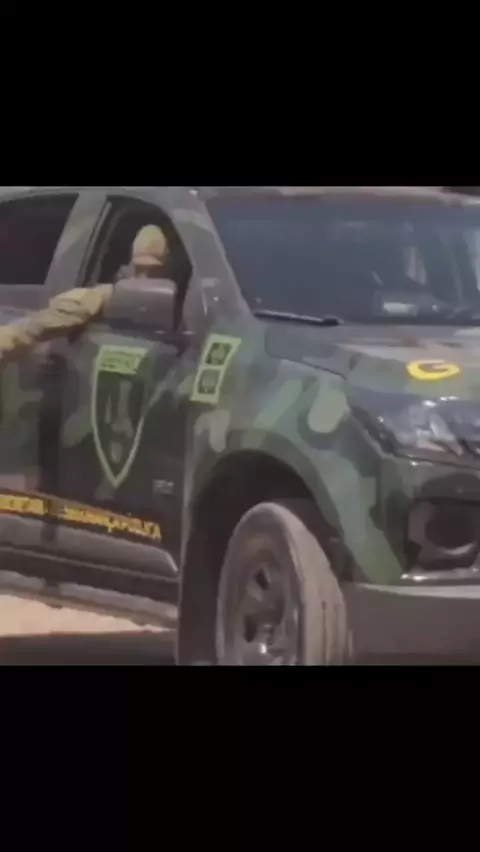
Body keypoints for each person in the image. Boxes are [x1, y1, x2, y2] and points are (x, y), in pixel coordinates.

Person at [0, 224, 169, 365]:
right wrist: (12, 337)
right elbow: (60, 314)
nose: (145, 277)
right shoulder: (110, 295)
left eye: (155, 270)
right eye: (139, 268)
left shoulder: (179, 300)